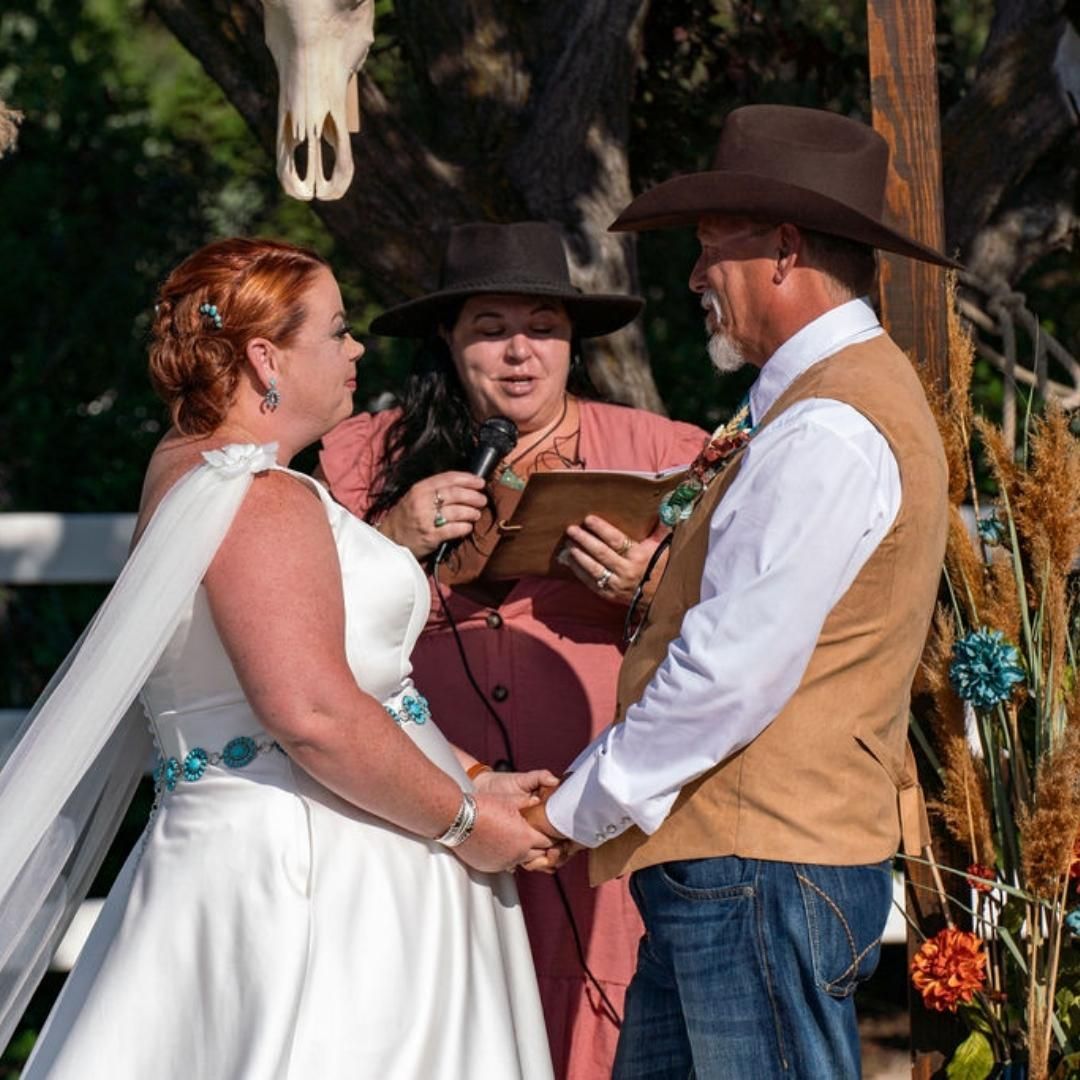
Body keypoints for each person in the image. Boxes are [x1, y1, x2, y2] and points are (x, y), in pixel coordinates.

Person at [0, 237, 557, 1078]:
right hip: (321, 879)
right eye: (336, 332)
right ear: (267, 356)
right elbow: (313, 716)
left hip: (274, 847)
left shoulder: (193, 468)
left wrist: (468, 775)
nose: (357, 349)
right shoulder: (261, 494)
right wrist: (468, 825)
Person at [528, 104, 956, 1078]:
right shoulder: (832, 408)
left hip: (758, 869)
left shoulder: (827, 428)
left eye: (711, 248)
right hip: (744, 864)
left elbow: (730, 669)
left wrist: (572, 811)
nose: (693, 279)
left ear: (785, 250)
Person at [318, 221, 708, 1078]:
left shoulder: (661, 452)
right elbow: (307, 628)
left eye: (544, 327)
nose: (520, 353)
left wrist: (647, 582)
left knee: (605, 1022)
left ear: (574, 344)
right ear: (450, 345)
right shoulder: (364, 457)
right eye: (491, 329)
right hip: (428, 808)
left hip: (593, 809)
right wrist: (390, 534)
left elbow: (735, 629)